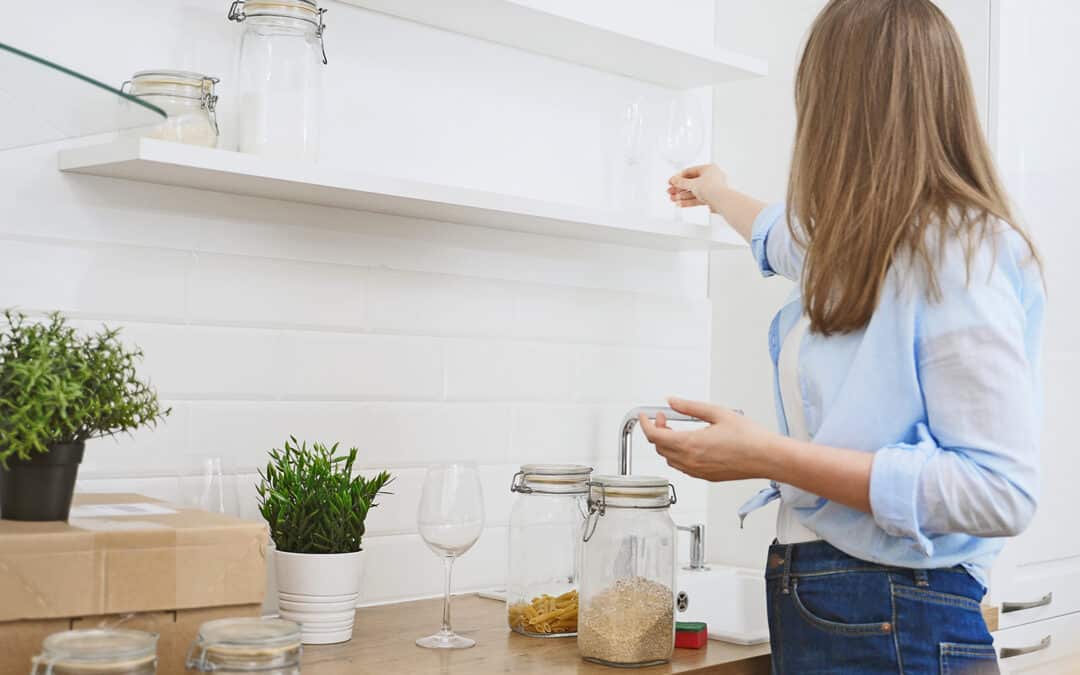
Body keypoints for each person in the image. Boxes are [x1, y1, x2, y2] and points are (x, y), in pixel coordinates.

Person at [640, 1, 1044, 673]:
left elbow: (997, 487)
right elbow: (785, 235)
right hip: (856, 612)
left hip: (895, 618)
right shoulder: (876, 242)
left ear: (844, 108)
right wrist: (718, 191)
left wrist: (769, 455)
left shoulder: (952, 255)